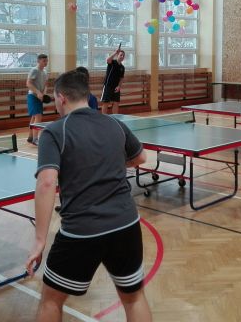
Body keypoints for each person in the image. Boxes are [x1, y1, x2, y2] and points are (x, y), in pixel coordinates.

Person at [25, 70, 152, 322]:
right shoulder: (114, 123)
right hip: (126, 225)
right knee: (134, 298)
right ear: (86, 96)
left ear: (61, 98)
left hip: (81, 231)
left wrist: (39, 240)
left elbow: (47, 182)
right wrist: (109, 165)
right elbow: (140, 157)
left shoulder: (54, 131)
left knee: (51, 300)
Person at [26, 53, 49, 146]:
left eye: (46, 61)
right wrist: (38, 92)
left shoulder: (45, 72)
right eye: (44, 61)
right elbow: (28, 83)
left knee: (34, 117)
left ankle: (31, 137)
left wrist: (44, 93)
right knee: (38, 117)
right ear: (38, 61)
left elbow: (46, 84)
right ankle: (35, 139)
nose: (46, 62)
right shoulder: (34, 70)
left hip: (40, 97)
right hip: (33, 96)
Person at [101, 48, 126, 114]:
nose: (122, 56)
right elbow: (108, 60)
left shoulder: (122, 67)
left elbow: (121, 78)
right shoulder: (112, 62)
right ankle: (104, 118)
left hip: (116, 88)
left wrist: (119, 86)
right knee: (106, 103)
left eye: (123, 56)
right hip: (108, 86)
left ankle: (115, 117)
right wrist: (115, 52)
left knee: (116, 103)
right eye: (121, 55)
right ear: (117, 55)